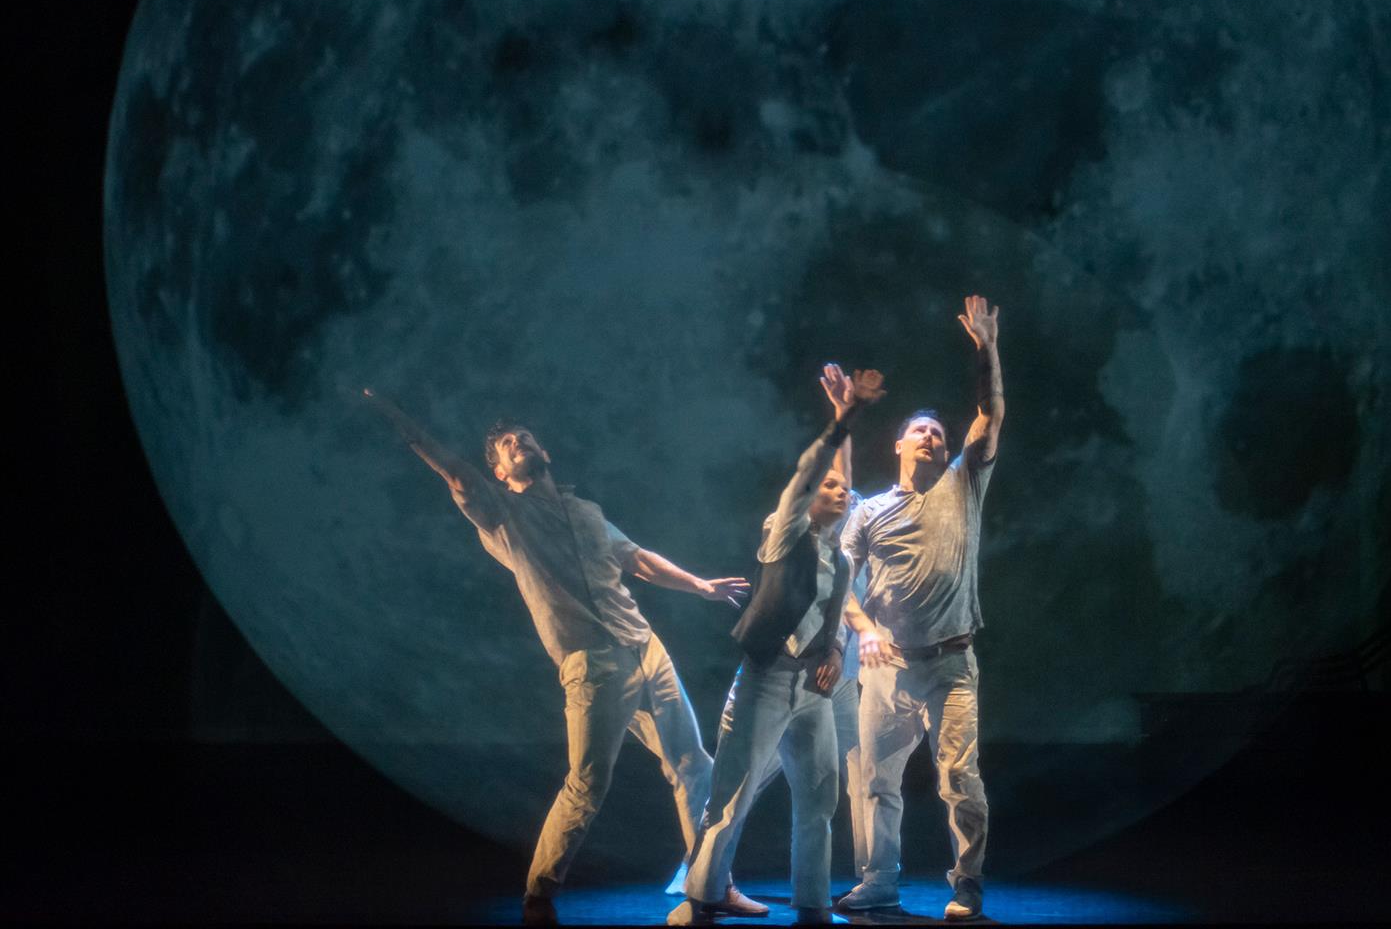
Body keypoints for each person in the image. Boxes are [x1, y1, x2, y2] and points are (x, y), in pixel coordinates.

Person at [360, 390, 765, 927]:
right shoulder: (502, 515)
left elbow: (636, 559)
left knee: (694, 764)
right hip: (592, 664)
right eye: (507, 445)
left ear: (543, 450)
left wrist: (701, 586)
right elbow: (456, 474)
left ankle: (712, 884)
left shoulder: (585, 511)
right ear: (500, 472)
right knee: (587, 785)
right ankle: (538, 893)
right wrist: (401, 422)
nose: (519, 443)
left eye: (524, 437)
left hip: (645, 646)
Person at [668, 364, 886, 926]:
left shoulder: (839, 559)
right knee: (732, 796)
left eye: (844, 489)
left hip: (813, 690)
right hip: (766, 680)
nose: (840, 491)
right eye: (829, 488)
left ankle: (813, 905)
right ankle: (702, 896)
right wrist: (845, 417)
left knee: (819, 799)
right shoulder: (783, 531)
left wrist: (834, 652)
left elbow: (834, 620)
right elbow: (810, 471)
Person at [836, 295, 1003, 921]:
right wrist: (863, 628)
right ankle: (878, 881)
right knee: (873, 780)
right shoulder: (870, 512)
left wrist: (987, 348)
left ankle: (967, 884)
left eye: (939, 432)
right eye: (920, 431)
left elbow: (990, 413)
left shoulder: (964, 483)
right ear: (899, 444)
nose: (931, 436)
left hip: (952, 663)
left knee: (960, 778)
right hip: (887, 666)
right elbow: (838, 585)